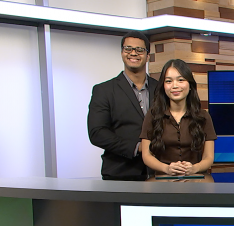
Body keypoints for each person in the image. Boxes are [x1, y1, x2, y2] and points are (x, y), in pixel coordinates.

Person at [88, 31, 158, 180]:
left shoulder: (161, 89)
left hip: (159, 173)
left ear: (147, 56)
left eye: (140, 50)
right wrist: (138, 147)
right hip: (120, 174)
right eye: (128, 49)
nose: (134, 53)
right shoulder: (104, 90)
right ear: (122, 53)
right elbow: (97, 133)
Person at [140, 59, 216, 176]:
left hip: (195, 182)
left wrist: (194, 168)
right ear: (163, 86)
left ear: (190, 85)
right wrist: (166, 169)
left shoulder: (203, 116)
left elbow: (209, 157)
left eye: (180, 80)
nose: (175, 86)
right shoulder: (153, 115)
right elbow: (146, 155)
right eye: (169, 81)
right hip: (162, 183)